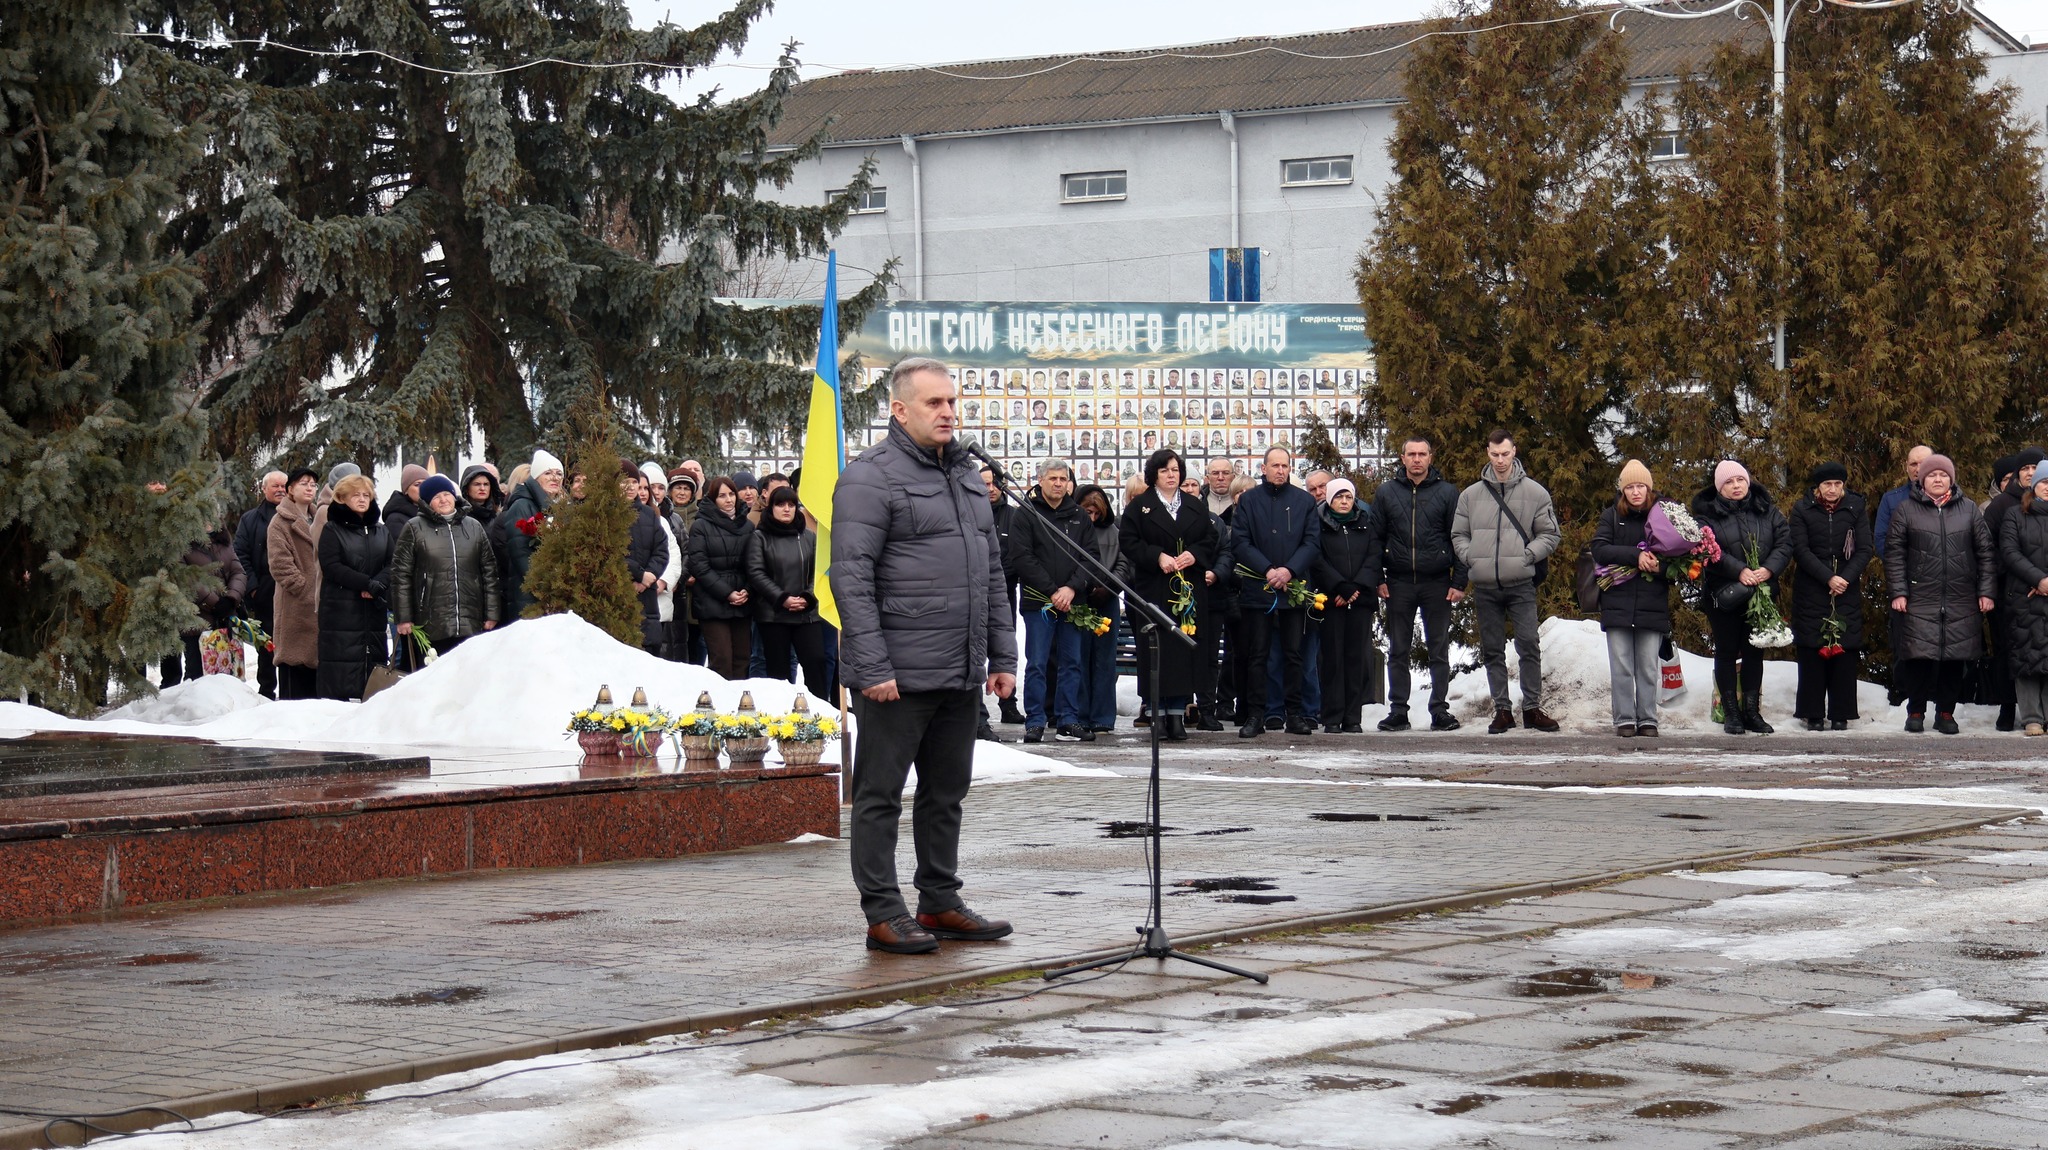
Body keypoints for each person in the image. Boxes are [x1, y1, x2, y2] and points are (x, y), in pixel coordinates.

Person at [833, 356, 1017, 956]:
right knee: (881, 795)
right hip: (896, 674)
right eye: (934, 403)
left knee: (946, 793)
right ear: (899, 409)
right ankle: (883, 912)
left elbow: (990, 572)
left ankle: (938, 900)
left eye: (952, 402)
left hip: (959, 668)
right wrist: (872, 667)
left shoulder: (965, 475)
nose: (948, 413)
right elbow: (850, 578)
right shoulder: (869, 477)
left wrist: (1001, 655)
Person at [1453, 430, 1562, 734]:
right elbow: (1458, 534)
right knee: (1492, 650)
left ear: (1514, 451)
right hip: (1485, 585)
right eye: (1494, 454)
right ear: (1487, 453)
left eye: (1505, 453)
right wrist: (1471, 556)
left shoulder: (1536, 493)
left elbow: (1550, 534)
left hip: (1520, 583)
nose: (1500, 460)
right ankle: (1502, 710)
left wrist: (1528, 556)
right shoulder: (1470, 495)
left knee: (1529, 644)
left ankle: (1532, 709)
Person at [1885, 453, 1996, 733]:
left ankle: (1946, 713)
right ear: (1922, 480)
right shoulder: (1906, 510)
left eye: (1943, 475)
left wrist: (1986, 592)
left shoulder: (1969, 510)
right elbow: (1895, 555)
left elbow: (1985, 553)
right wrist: (1899, 592)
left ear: (1951, 480)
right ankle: (1916, 712)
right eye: (1932, 475)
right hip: (1920, 596)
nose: (1938, 479)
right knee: (1918, 658)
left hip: (1961, 596)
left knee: (1954, 659)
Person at [1119, 450, 1218, 741]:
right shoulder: (1140, 507)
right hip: (1154, 588)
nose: (1171, 475)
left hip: (1188, 588)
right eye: (1164, 470)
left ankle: (1177, 715)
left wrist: (1194, 554)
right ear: (1154, 475)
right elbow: (1128, 541)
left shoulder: (1194, 505)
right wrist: (1156, 556)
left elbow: (1210, 538)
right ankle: (1157, 715)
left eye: (1175, 470)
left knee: (1183, 651)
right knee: (1156, 649)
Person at [1693, 460, 1792, 735]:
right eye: (1728, 482)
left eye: (1740, 480)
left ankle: (1752, 712)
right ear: (1719, 487)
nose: (1736, 486)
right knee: (1726, 651)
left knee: (1754, 653)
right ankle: (1731, 713)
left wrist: (1768, 569)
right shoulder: (1706, 516)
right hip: (1724, 594)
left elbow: (1785, 542)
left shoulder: (1767, 510)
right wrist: (1739, 571)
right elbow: (1707, 549)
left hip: (1760, 591)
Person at [1373, 437, 1465, 732]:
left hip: (1437, 582)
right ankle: (1398, 711)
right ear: (1402, 458)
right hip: (1398, 582)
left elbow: (1459, 538)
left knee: (1438, 649)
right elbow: (1375, 539)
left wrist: (1459, 581)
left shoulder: (1447, 493)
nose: (1416, 459)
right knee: (1398, 650)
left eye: (1421, 454)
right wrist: (1378, 579)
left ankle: (1440, 711)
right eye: (1411, 454)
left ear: (1430, 457)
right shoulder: (1386, 492)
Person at [1233, 445, 1320, 738]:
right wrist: (1268, 570)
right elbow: (1240, 542)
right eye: (1275, 466)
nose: (1280, 471)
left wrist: (1289, 571)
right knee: (1257, 654)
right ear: (1264, 468)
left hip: (1293, 588)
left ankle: (1294, 714)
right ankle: (1256, 715)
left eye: (1285, 466)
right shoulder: (1249, 500)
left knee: (1293, 654)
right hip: (1259, 588)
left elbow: (1311, 543)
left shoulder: (1304, 501)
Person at [1011, 460, 1094, 743]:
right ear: (1040, 480)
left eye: (1063, 479)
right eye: (1053, 478)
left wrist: (1071, 588)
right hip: (1039, 603)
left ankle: (1067, 719)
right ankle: (1035, 721)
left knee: (1072, 662)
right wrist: (1052, 591)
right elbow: (1022, 557)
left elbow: (1090, 557)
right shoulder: (1026, 514)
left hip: (1073, 601)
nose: (1058, 483)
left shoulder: (1080, 515)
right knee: (1037, 662)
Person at [1788, 462, 1874, 731]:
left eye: (1838, 484)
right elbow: (1800, 549)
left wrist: (1845, 578)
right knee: (1812, 647)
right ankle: (1812, 712)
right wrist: (1828, 577)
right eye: (1827, 484)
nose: (1833, 489)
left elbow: (1865, 548)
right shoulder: (1803, 509)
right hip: (1812, 588)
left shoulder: (1855, 507)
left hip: (1845, 588)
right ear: (1818, 487)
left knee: (1844, 647)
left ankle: (1841, 712)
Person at [1591, 461, 1670, 737]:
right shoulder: (1612, 515)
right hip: (1617, 602)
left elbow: (1679, 560)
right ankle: (1624, 719)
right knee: (1622, 666)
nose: (1636, 492)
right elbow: (1599, 549)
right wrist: (1635, 556)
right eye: (1630, 487)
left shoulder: (1663, 517)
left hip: (1652, 603)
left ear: (1649, 488)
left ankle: (1648, 719)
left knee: (1648, 666)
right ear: (1623, 490)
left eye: (1641, 486)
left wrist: (1660, 567)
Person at [391, 473, 501, 660]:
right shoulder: (414, 528)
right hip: (431, 622)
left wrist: (492, 613)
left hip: (470, 620)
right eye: (436, 497)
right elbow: (401, 574)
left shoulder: (473, 527)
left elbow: (489, 572)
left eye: (447, 494)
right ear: (427, 502)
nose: (443, 500)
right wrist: (404, 617)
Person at [746, 485, 829, 697]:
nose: (786, 509)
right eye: (780, 504)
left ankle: (820, 709)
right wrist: (782, 598)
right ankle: (782, 712)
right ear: (771, 507)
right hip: (774, 614)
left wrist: (808, 596)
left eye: (791, 504)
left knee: (816, 661)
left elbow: (819, 571)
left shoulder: (809, 536)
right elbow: (756, 572)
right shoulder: (760, 537)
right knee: (778, 670)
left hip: (806, 613)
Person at [315, 474, 392, 701]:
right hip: (341, 609)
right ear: (342, 498)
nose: (362, 499)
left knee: (373, 663)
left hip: (373, 608)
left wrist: (378, 584)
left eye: (366, 495)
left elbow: (393, 563)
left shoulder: (381, 531)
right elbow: (332, 566)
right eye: (355, 495)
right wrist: (366, 583)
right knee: (341, 667)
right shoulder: (332, 529)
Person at [1312, 478, 1381, 733]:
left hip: (1359, 600)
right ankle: (1332, 716)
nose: (1344, 502)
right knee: (1332, 659)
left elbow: (1374, 557)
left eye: (1348, 497)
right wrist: (1340, 586)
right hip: (1332, 601)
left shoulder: (1365, 523)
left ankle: (1353, 717)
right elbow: (1317, 559)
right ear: (1330, 499)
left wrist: (1355, 588)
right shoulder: (1318, 525)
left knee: (1356, 659)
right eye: (1339, 497)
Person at [1983, 448, 2045, 730]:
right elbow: (1997, 550)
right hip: (2012, 590)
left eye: (2036, 468)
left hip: (2041, 590)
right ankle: (2012, 709)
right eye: (2025, 469)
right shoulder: (2005, 508)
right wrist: (2032, 579)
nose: (2031, 473)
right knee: (2013, 651)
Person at [686, 475, 756, 679]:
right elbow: (699, 566)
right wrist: (727, 593)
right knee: (721, 660)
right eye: (722, 495)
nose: (728, 499)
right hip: (712, 602)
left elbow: (754, 563)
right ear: (713, 499)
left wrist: (747, 590)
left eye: (731, 494)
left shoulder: (747, 526)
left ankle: (741, 700)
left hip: (742, 601)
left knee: (742, 659)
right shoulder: (701, 526)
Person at [163, 521, 247, 686]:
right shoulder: (181, 543)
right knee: (197, 677)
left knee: (228, 675)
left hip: (225, 619)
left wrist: (231, 599)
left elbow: (238, 572)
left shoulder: (223, 541)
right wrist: (215, 603)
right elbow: (186, 580)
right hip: (196, 622)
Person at [1075, 483, 1128, 734]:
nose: (1093, 517)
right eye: (1088, 512)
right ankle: (1081, 714)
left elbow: (1123, 564)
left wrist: (1109, 588)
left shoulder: (1114, 531)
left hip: (1107, 599)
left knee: (1105, 660)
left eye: (1097, 513)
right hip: (1080, 599)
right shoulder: (1073, 531)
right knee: (1080, 657)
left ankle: (1103, 717)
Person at [1999, 469, 2048, 736]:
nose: (2047, 487)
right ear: (2034, 485)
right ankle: (2032, 718)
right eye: (2044, 482)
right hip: (2024, 595)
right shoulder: (2015, 515)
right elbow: (2009, 551)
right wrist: (2039, 580)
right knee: (2027, 655)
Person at [267, 467, 323, 700]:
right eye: (304, 483)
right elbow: (280, 566)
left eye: (313, 484)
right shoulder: (280, 522)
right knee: (295, 672)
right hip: (295, 607)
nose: (310, 488)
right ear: (290, 489)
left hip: (320, 605)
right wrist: (305, 589)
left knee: (317, 682)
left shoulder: (320, 518)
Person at [232, 470, 286, 698]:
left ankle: (292, 691)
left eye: (284, 486)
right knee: (267, 645)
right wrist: (253, 588)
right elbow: (240, 555)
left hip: (293, 592)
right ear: (264, 489)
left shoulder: (301, 515)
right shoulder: (250, 519)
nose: (280, 490)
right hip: (265, 592)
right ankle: (266, 691)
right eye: (275, 486)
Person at [981, 464, 1026, 729]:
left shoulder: (1014, 516)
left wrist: (997, 574)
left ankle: (1008, 704)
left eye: (994, 483)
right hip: (974, 592)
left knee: (1004, 647)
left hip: (1004, 592)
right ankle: (977, 711)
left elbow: (1017, 554)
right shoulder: (970, 513)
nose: (990, 489)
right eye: (984, 484)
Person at [501, 450, 563, 620]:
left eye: (559, 474)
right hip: (530, 596)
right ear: (536, 477)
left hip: (558, 594)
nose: (554, 478)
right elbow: (521, 553)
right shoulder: (522, 506)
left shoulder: (561, 507)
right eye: (547, 473)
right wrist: (545, 589)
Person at [633, 463, 680, 657]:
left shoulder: (659, 520)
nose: (643, 492)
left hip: (656, 594)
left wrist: (658, 580)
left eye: (647, 488)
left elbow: (670, 555)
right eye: (639, 487)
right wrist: (639, 576)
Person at [384, 464, 427, 539]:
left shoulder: (433, 514)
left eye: (426, 484)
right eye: (417, 484)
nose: (422, 488)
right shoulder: (395, 519)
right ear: (406, 490)